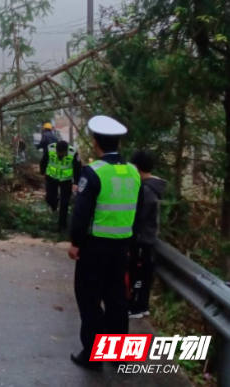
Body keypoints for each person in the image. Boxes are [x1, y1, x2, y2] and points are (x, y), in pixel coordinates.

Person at [68, 116, 143, 371]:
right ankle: (119, 354)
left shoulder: (94, 171)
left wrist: (75, 243)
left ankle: (92, 355)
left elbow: (82, 213)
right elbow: (139, 211)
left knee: (89, 299)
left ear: (95, 141)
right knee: (117, 300)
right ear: (119, 142)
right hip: (122, 248)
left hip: (95, 248)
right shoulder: (133, 172)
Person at [129, 150, 166, 319]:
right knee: (144, 273)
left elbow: (138, 217)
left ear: (137, 167)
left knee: (138, 274)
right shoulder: (152, 187)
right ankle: (142, 305)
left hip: (142, 239)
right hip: (148, 238)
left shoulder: (146, 189)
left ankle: (136, 307)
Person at [43, 140, 82, 232]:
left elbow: (78, 168)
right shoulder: (50, 148)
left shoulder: (73, 153)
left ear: (66, 151)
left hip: (66, 180)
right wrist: (42, 172)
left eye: (62, 153)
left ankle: (62, 226)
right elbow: (44, 160)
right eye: (58, 152)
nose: (60, 155)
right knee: (50, 198)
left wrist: (76, 182)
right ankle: (54, 204)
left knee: (65, 203)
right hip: (52, 177)